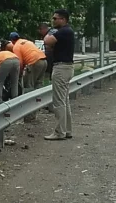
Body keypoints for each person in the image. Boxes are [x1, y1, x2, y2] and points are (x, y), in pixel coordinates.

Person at [43, 9, 75, 140]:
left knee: (59, 102)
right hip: (66, 67)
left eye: (55, 18)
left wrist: (48, 34)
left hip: (61, 68)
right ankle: (67, 130)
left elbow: (47, 42)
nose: (53, 20)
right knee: (64, 101)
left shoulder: (63, 31)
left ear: (63, 19)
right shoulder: (67, 32)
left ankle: (59, 132)